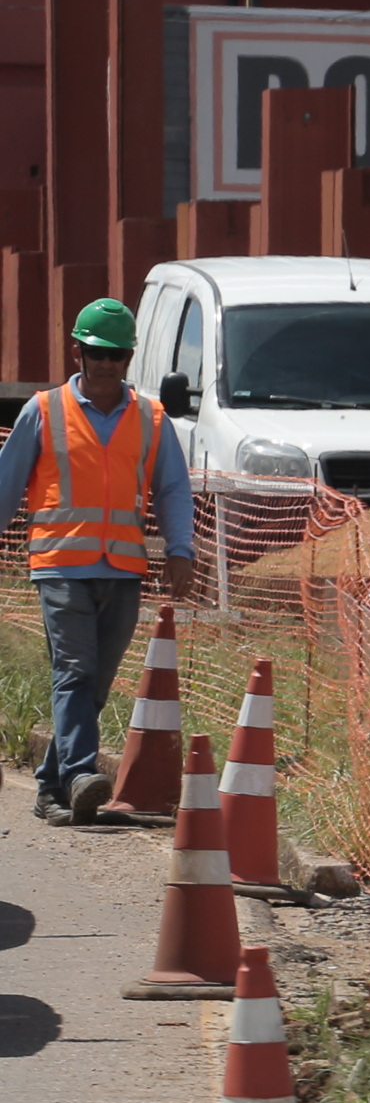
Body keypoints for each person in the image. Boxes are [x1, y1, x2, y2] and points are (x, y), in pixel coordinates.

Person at [3, 298, 198, 822]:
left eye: (117, 353)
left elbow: (174, 491)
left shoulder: (152, 418)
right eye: (97, 353)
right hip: (60, 565)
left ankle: (50, 788)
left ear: (130, 357)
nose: (107, 363)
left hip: (123, 571)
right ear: (79, 353)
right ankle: (83, 775)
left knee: (97, 682)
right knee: (74, 671)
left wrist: (181, 551)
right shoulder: (42, 411)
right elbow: (5, 487)